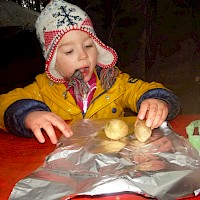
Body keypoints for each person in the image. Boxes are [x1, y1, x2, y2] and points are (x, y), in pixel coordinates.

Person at [0, 0, 180, 144]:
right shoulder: (43, 89)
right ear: (53, 62)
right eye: (69, 51)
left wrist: (158, 100)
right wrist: (27, 115)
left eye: (88, 45)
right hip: (64, 165)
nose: (83, 55)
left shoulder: (113, 81)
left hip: (113, 159)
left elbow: (141, 89)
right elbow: (4, 104)